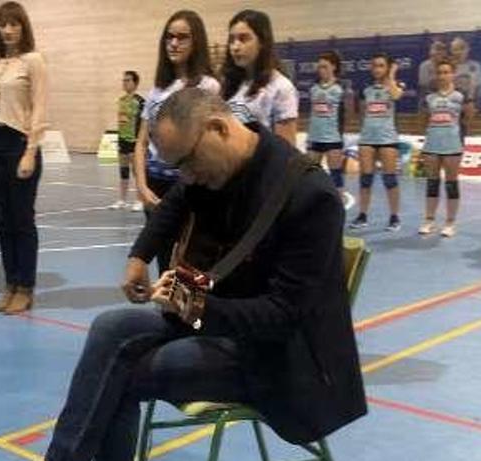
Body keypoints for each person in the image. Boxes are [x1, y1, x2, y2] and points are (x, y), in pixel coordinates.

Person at [12, 88, 367, 461]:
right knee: (111, 327)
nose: (188, 178)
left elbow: (282, 317)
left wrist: (192, 304)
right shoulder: (217, 166)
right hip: (224, 325)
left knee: (118, 374)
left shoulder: (310, 196)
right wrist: (139, 256)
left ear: (217, 128)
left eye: (188, 164)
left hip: (278, 362)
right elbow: (175, 202)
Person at [132, 10, 220, 276]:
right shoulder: (156, 90)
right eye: (169, 37)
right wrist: (142, 187)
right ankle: (166, 315)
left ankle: (190, 316)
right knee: (162, 260)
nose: (174, 43)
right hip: (155, 185)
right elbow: (141, 141)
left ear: (196, 43)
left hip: (190, 186)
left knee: (190, 261)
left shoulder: (209, 86)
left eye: (182, 37)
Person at [0, 1, 48, 314]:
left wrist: (30, 151)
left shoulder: (33, 61)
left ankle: (26, 287)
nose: (7, 30)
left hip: (19, 144)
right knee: (3, 222)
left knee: (22, 221)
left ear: (23, 26)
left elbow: (41, 107)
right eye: (3, 24)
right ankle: (10, 284)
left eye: (13, 24)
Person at [222, 9, 299, 145]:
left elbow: (286, 152)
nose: (235, 47)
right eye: (232, 40)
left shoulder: (281, 87)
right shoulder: (231, 85)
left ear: (262, 42)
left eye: (243, 39)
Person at [350, 53, 404, 232]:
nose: (377, 69)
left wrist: (392, 76)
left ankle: (394, 216)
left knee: (390, 180)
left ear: (388, 67)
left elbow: (396, 96)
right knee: (365, 180)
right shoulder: (365, 88)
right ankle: (362, 215)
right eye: (374, 65)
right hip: (367, 139)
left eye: (381, 65)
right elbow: (362, 112)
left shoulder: (396, 85)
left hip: (388, 138)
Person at [419, 59, 465, 238]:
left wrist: (457, 135)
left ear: (453, 74)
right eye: (439, 72)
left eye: (446, 72)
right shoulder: (430, 98)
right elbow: (423, 120)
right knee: (432, 183)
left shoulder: (460, 96)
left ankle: (450, 222)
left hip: (452, 146)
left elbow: (468, 118)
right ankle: (429, 220)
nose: (442, 75)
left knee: (451, 184)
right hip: (432, 146)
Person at [307, 50, 354, 209]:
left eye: (324, 67)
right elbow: (313, 114)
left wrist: (341, 135)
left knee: (336, 174)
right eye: (319, 67)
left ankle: (338, 204)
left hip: (333, 138)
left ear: (334, 67)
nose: (321, 70)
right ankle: (313, 202)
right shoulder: (313, 88)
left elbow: (348, 113)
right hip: (315, 137)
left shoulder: (341, 89)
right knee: (311, 173)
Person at [111, 71, 144, 211]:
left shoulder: (140, 101)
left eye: (128, 80)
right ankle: (122, 200)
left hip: (134, 140)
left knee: (137, 171)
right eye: (123, 80)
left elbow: (143, 123)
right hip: (122, 139)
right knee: (123, 171)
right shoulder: (121, 100)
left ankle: (139, 200)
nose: (124, 83)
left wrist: (140, 141)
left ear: (135, 83)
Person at [449, 37, 481, 139]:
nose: (459, 52)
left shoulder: (475, 66)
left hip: (467, 103)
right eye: (455, 49)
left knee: (462, 132)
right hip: (448, 104)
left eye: (462, 48)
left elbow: (477, 87)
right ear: (451, 50)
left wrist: (475, 105)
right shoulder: (447, 66)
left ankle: (458, 152)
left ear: (468, 49)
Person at [418, 40, 447, 108]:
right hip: (427, 100)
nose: (439, 52)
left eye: (442, 50)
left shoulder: (447, 65)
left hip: (445, 100)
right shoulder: (424, 66)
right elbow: (425, 85)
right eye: (436, 49)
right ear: (430, 51)